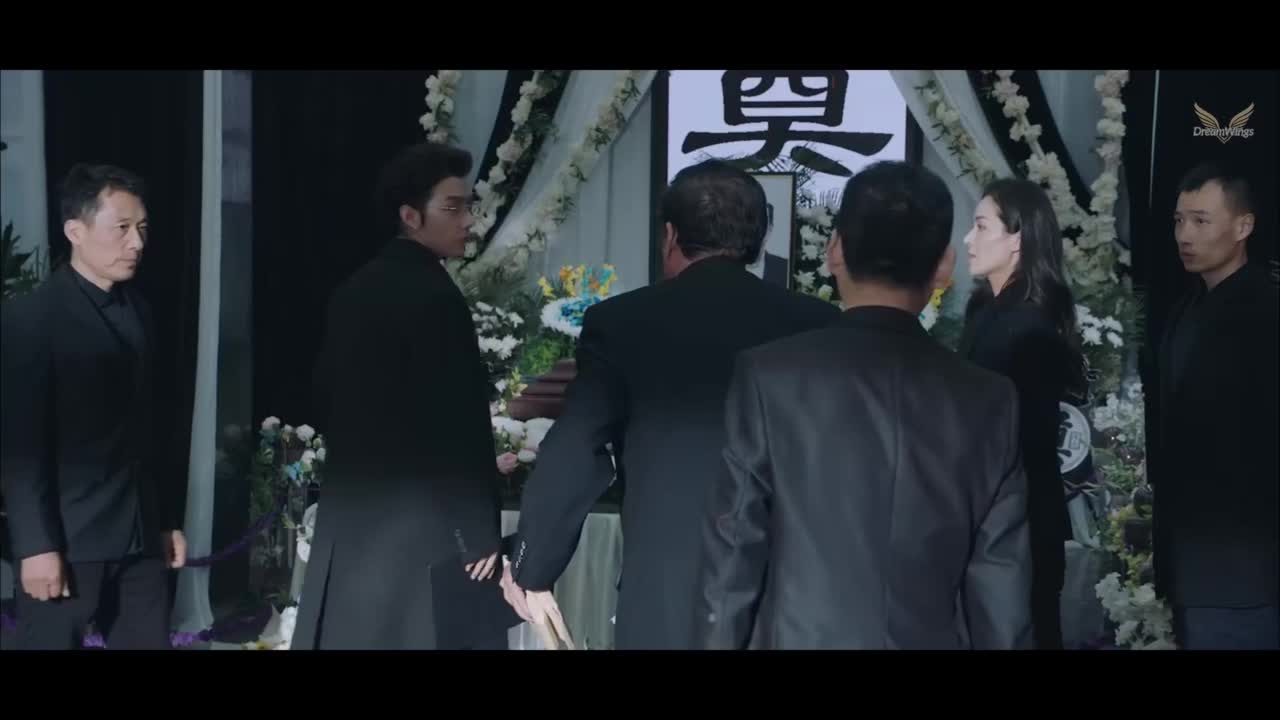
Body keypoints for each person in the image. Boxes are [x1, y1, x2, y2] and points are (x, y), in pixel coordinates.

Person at [694, 160, 1033, 650]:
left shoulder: (770, 377)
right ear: (943, 266)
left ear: (835, 250)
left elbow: (733, 558)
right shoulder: (990, 399)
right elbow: (1002, 593)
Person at [501, 160, 839, 649]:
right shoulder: (816, 323)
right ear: (759, 238)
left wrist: (532, 567)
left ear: (670, 236)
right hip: (788, 589)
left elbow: (577, 448)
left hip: (665, 587)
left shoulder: (622, 323)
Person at [291, 142, 506, 650]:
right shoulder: (437, 298)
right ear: (410, 216)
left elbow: (324, 396)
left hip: (353, 519)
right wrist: (478, 528)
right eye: (452, 208)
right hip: (421, 528)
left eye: (468, 206)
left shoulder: (352, 289)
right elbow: (455, 425)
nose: (468, 221)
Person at [1, 164, 187, 650]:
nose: (136, 242)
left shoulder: (141, 310)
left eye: (142, 228)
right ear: (75, 231)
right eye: (121, 228)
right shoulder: (31, 318)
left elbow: (152, 428)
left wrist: (166, 520)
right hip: (67, 540)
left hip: (140, 537)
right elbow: (20, 447)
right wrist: (36, 546)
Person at [957, 178, 1085, 650]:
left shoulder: (1029, 327)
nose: (968, 239)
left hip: (1018, 528)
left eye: (980, 226)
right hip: (995, 521)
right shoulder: (987, 312)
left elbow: (1022, 442)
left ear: (1018, 239)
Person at [1154, 162, 1277, 650]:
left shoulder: (1265, 314)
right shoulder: (1185, 308)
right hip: (1192, 560)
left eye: (1201, 221)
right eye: (1179, 221)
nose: (1185, 235)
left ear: (1243, 226)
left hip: (1246, 565)